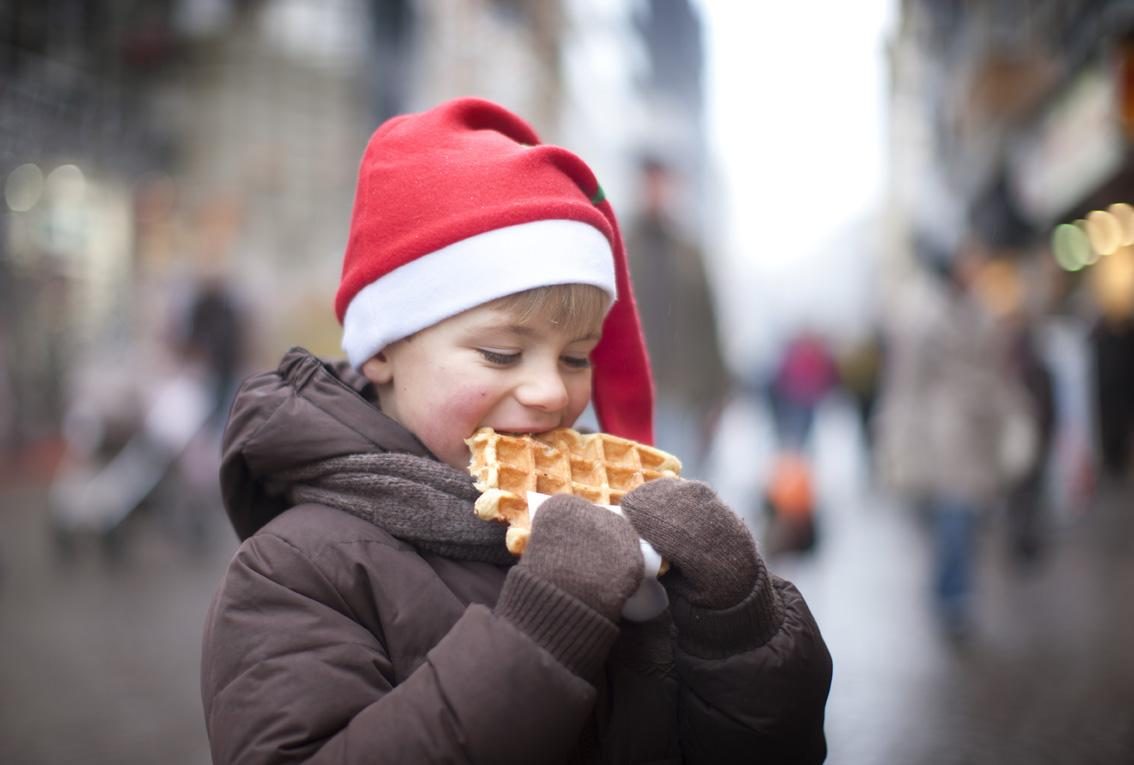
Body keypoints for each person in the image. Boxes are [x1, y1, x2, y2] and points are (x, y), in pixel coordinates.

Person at [200, 97, 831, 763]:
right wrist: (544, 628)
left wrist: (738, 627)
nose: (552, 391)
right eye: (501, 353)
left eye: (577, 355)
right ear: (383, 347)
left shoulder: (627, 537)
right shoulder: (291, 571)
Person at [625, 155, 730, 478]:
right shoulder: (623, 245)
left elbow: (709, 323)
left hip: (681, 392)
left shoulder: (689, 253)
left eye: (663, 184)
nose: (657, 192)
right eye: (650, 184)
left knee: (673, 483)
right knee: (629, 482)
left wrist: (718, 393)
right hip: (628, 390)